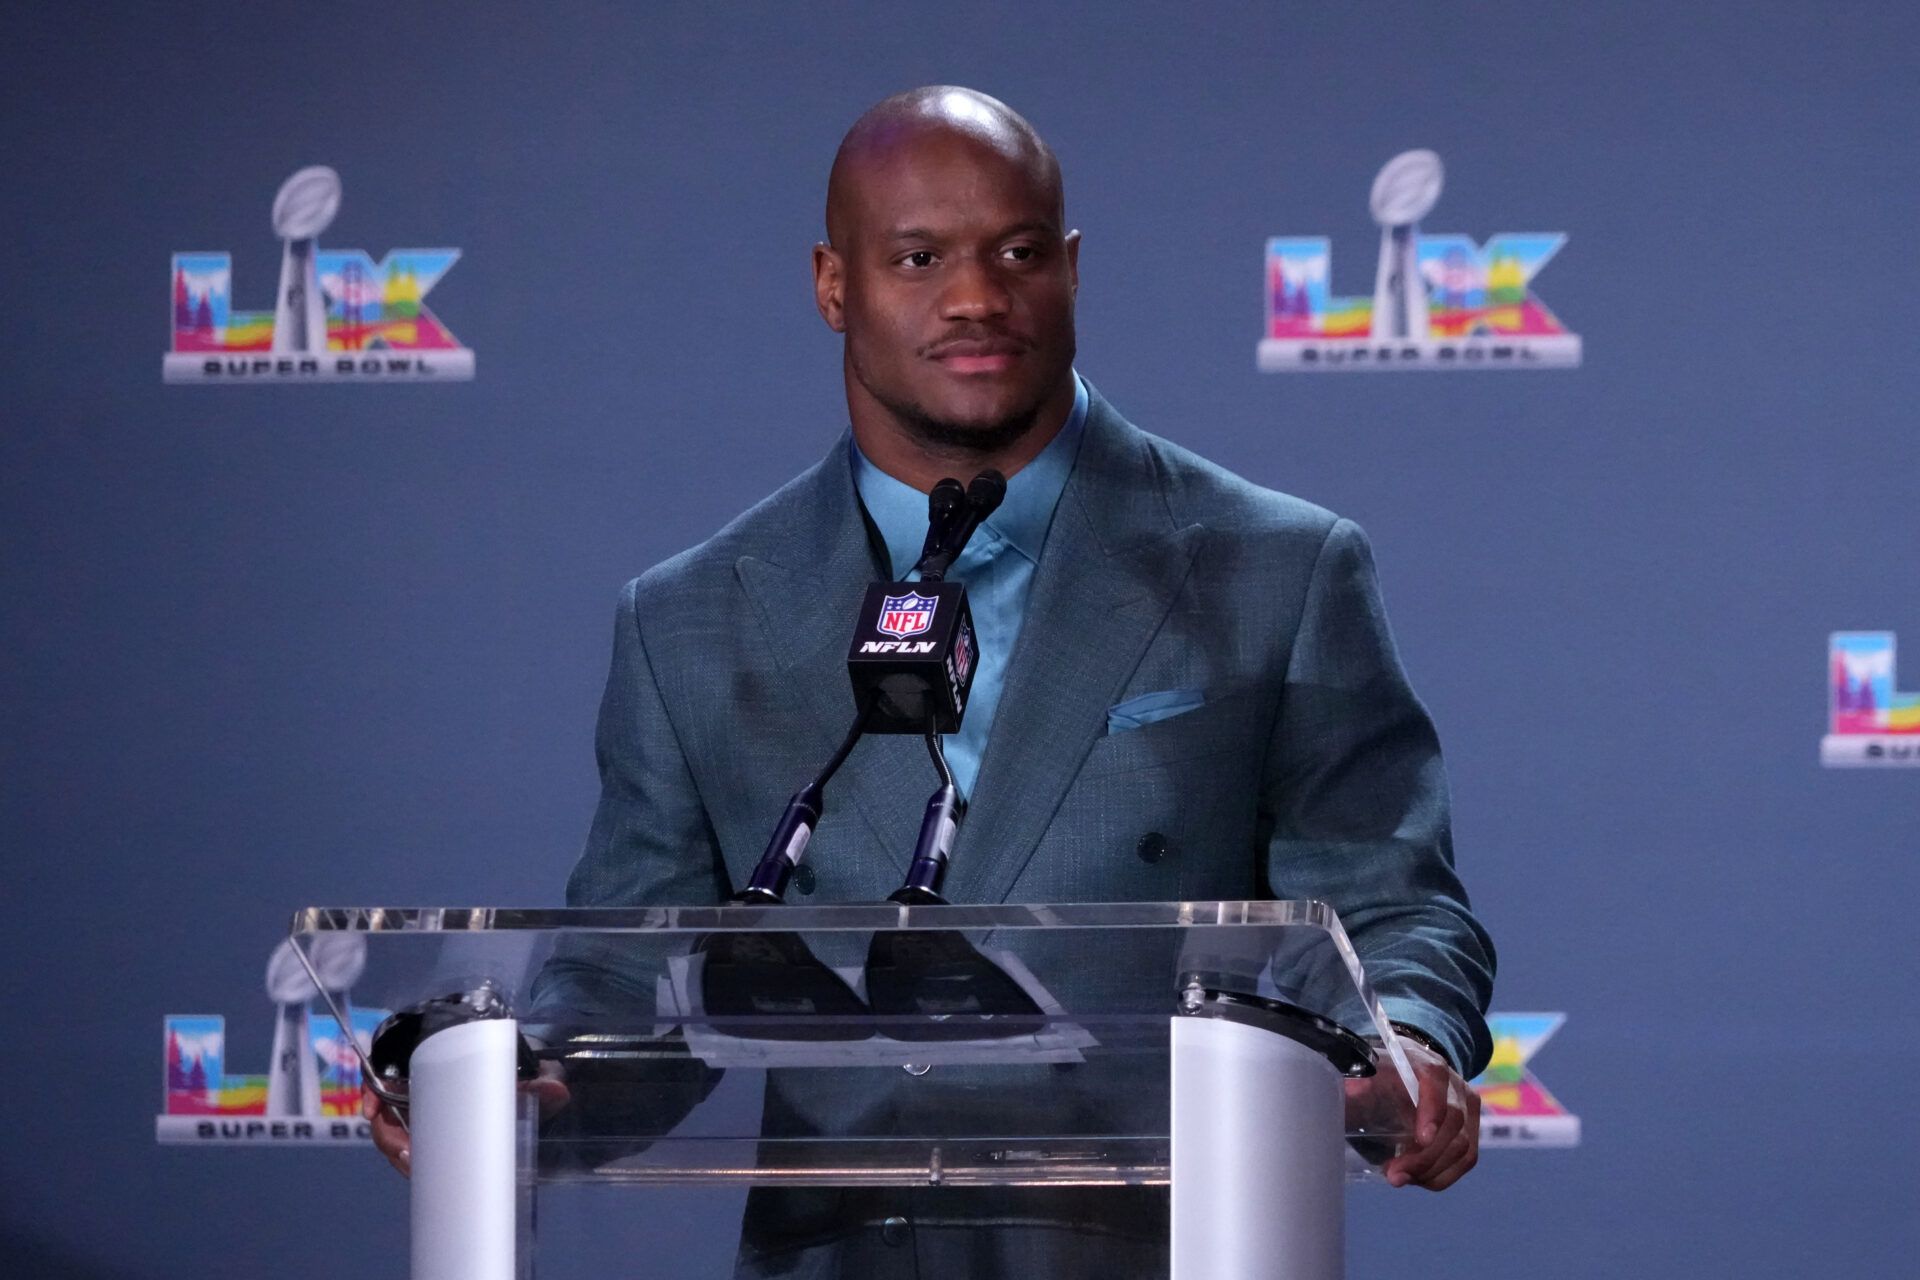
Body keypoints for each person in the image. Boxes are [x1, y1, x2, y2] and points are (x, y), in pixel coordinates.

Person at [369, 84, 1494, 1275]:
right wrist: (524, 1088)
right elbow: (629, 977)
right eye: (918, 256)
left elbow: (1394, 906)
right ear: (832, 283)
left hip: (1166, 1244)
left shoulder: (1279, 567)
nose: (976, 297)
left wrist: (1408, 1044)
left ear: (1070, 268)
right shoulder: (688, 617)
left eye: (1018, 253)